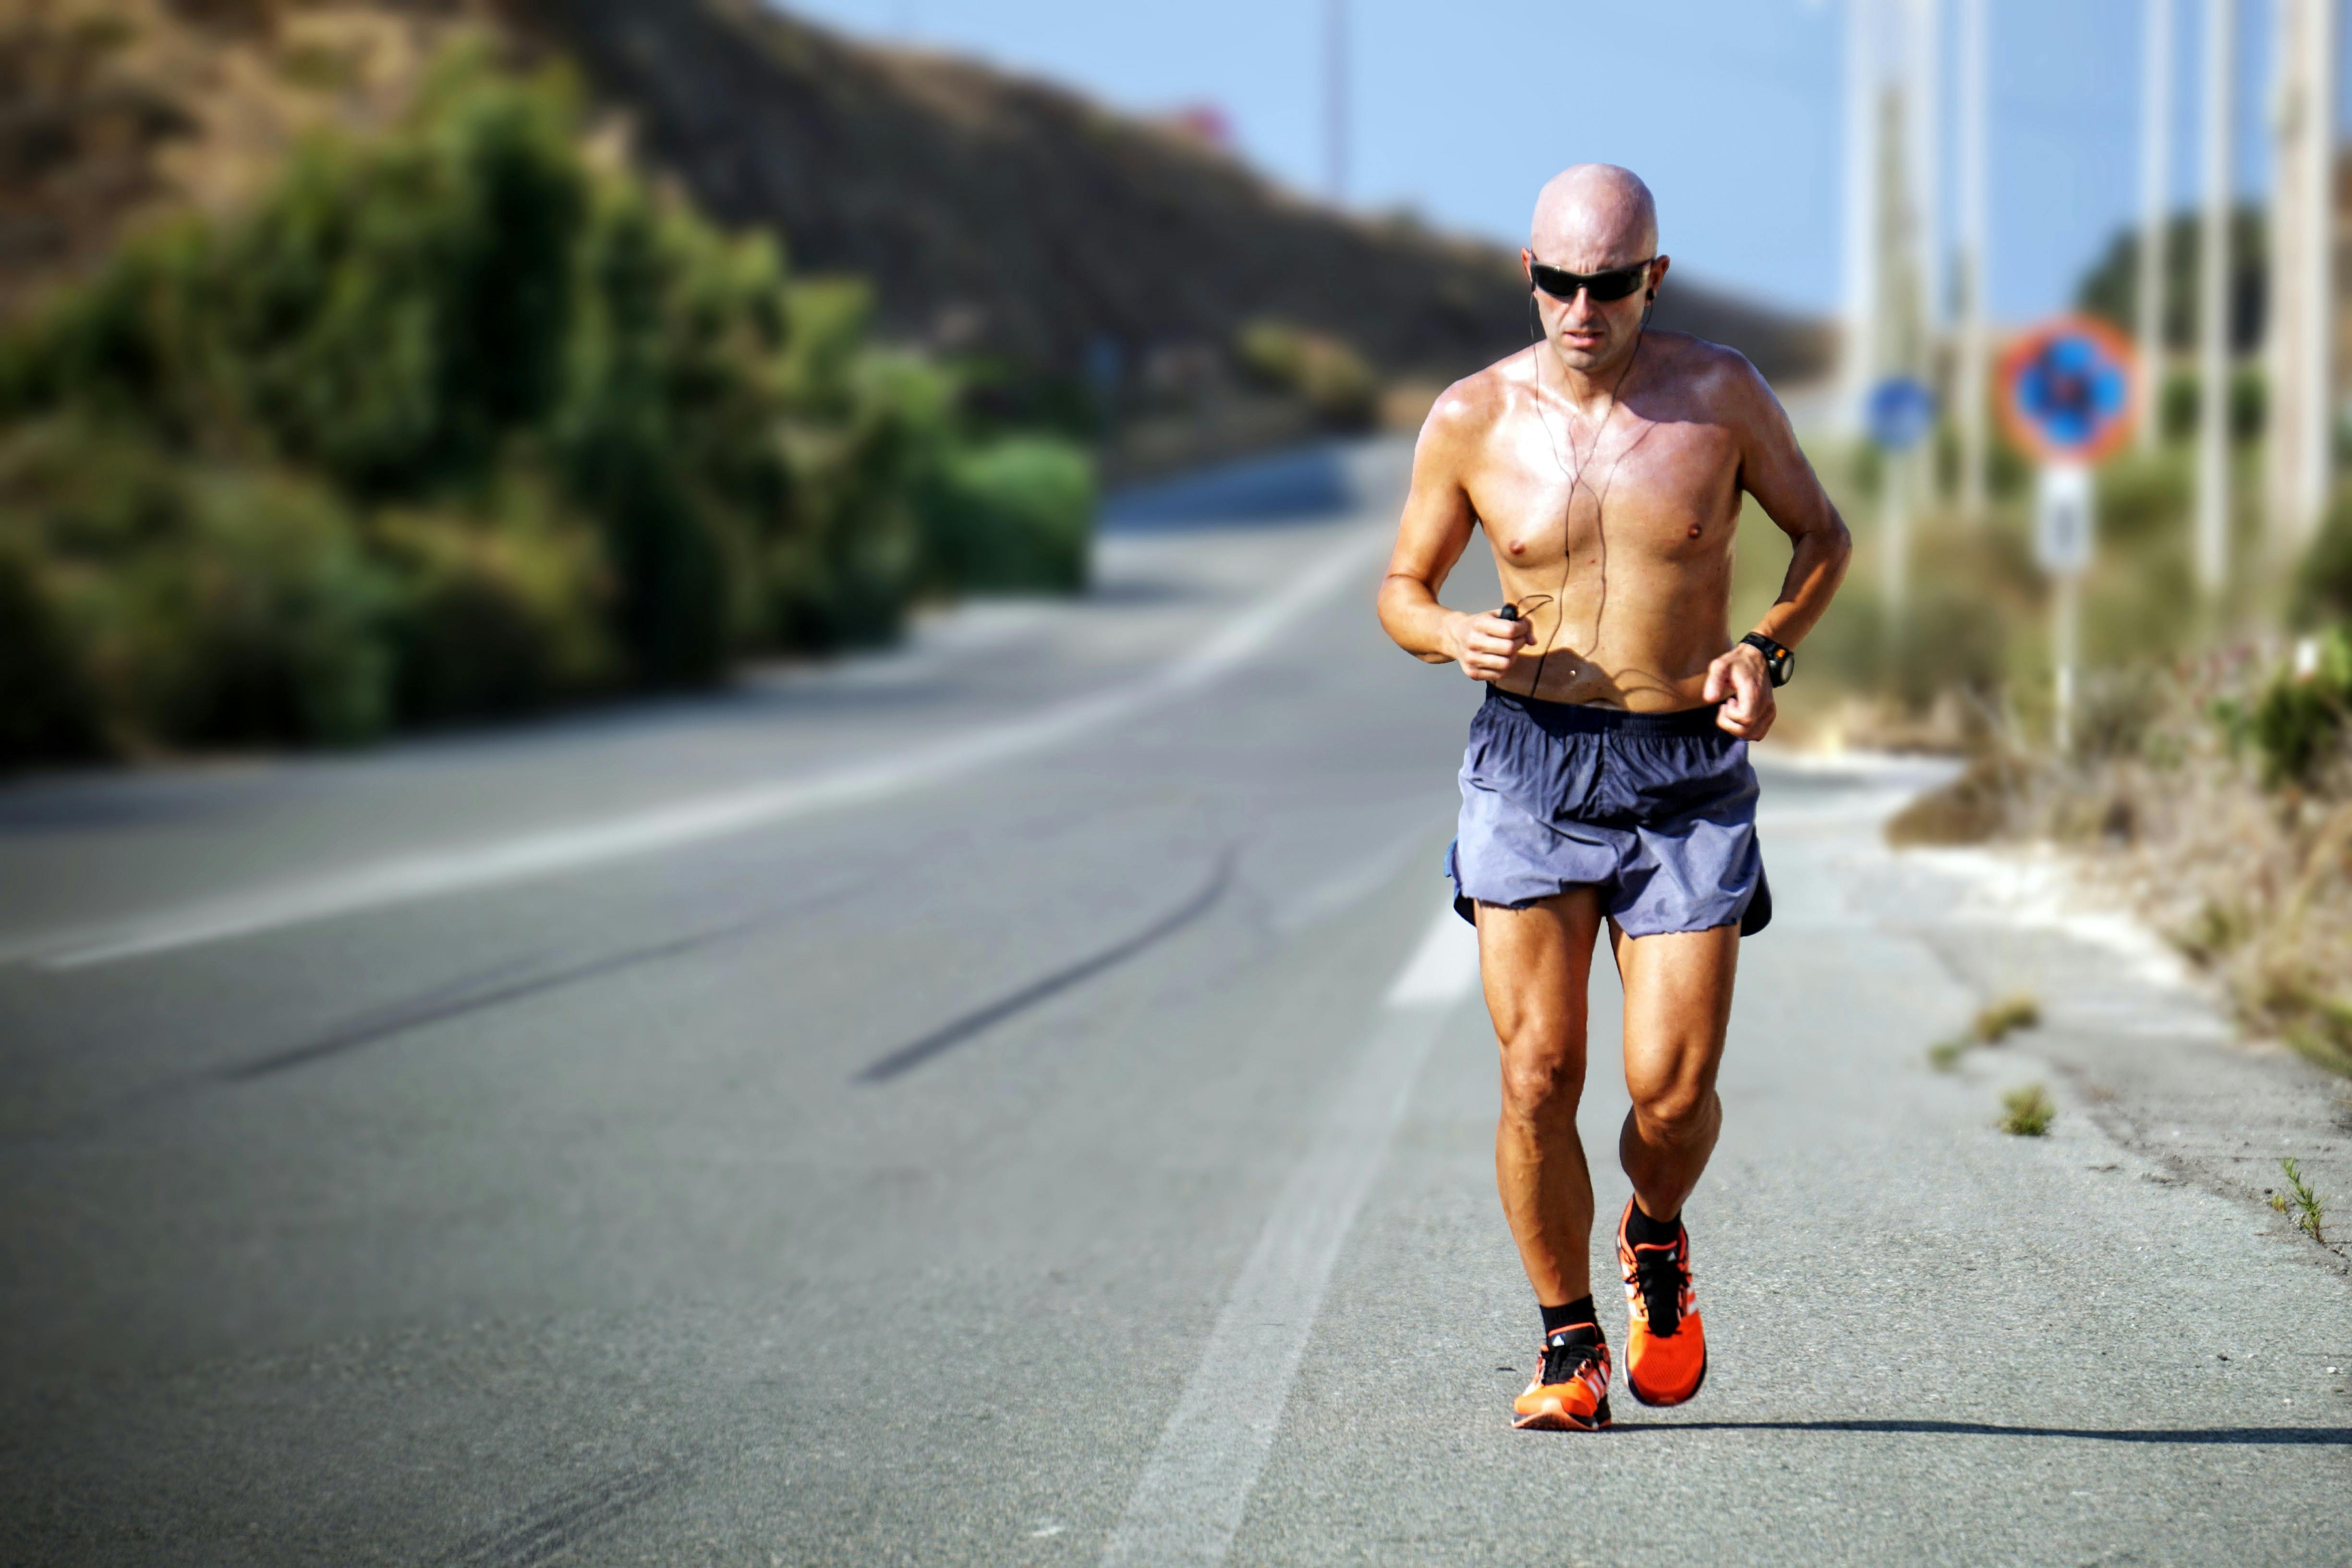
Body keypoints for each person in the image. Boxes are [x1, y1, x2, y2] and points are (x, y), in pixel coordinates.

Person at [1374, 164, 1851, 1431]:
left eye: (1606, 283)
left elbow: (1822, 535)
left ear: (1653, 276)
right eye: (1554, 282)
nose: (1578, 308)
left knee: (1670, 1091)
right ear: (1526, 274)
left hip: (1682, 767)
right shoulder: (1471, 416)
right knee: (1537, 1070)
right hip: (1527, 757)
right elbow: (1400, 586)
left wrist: (1765, 648)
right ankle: (1567, 1340)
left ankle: (1652, 1230)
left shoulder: (1721, 396)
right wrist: (1443, 634)